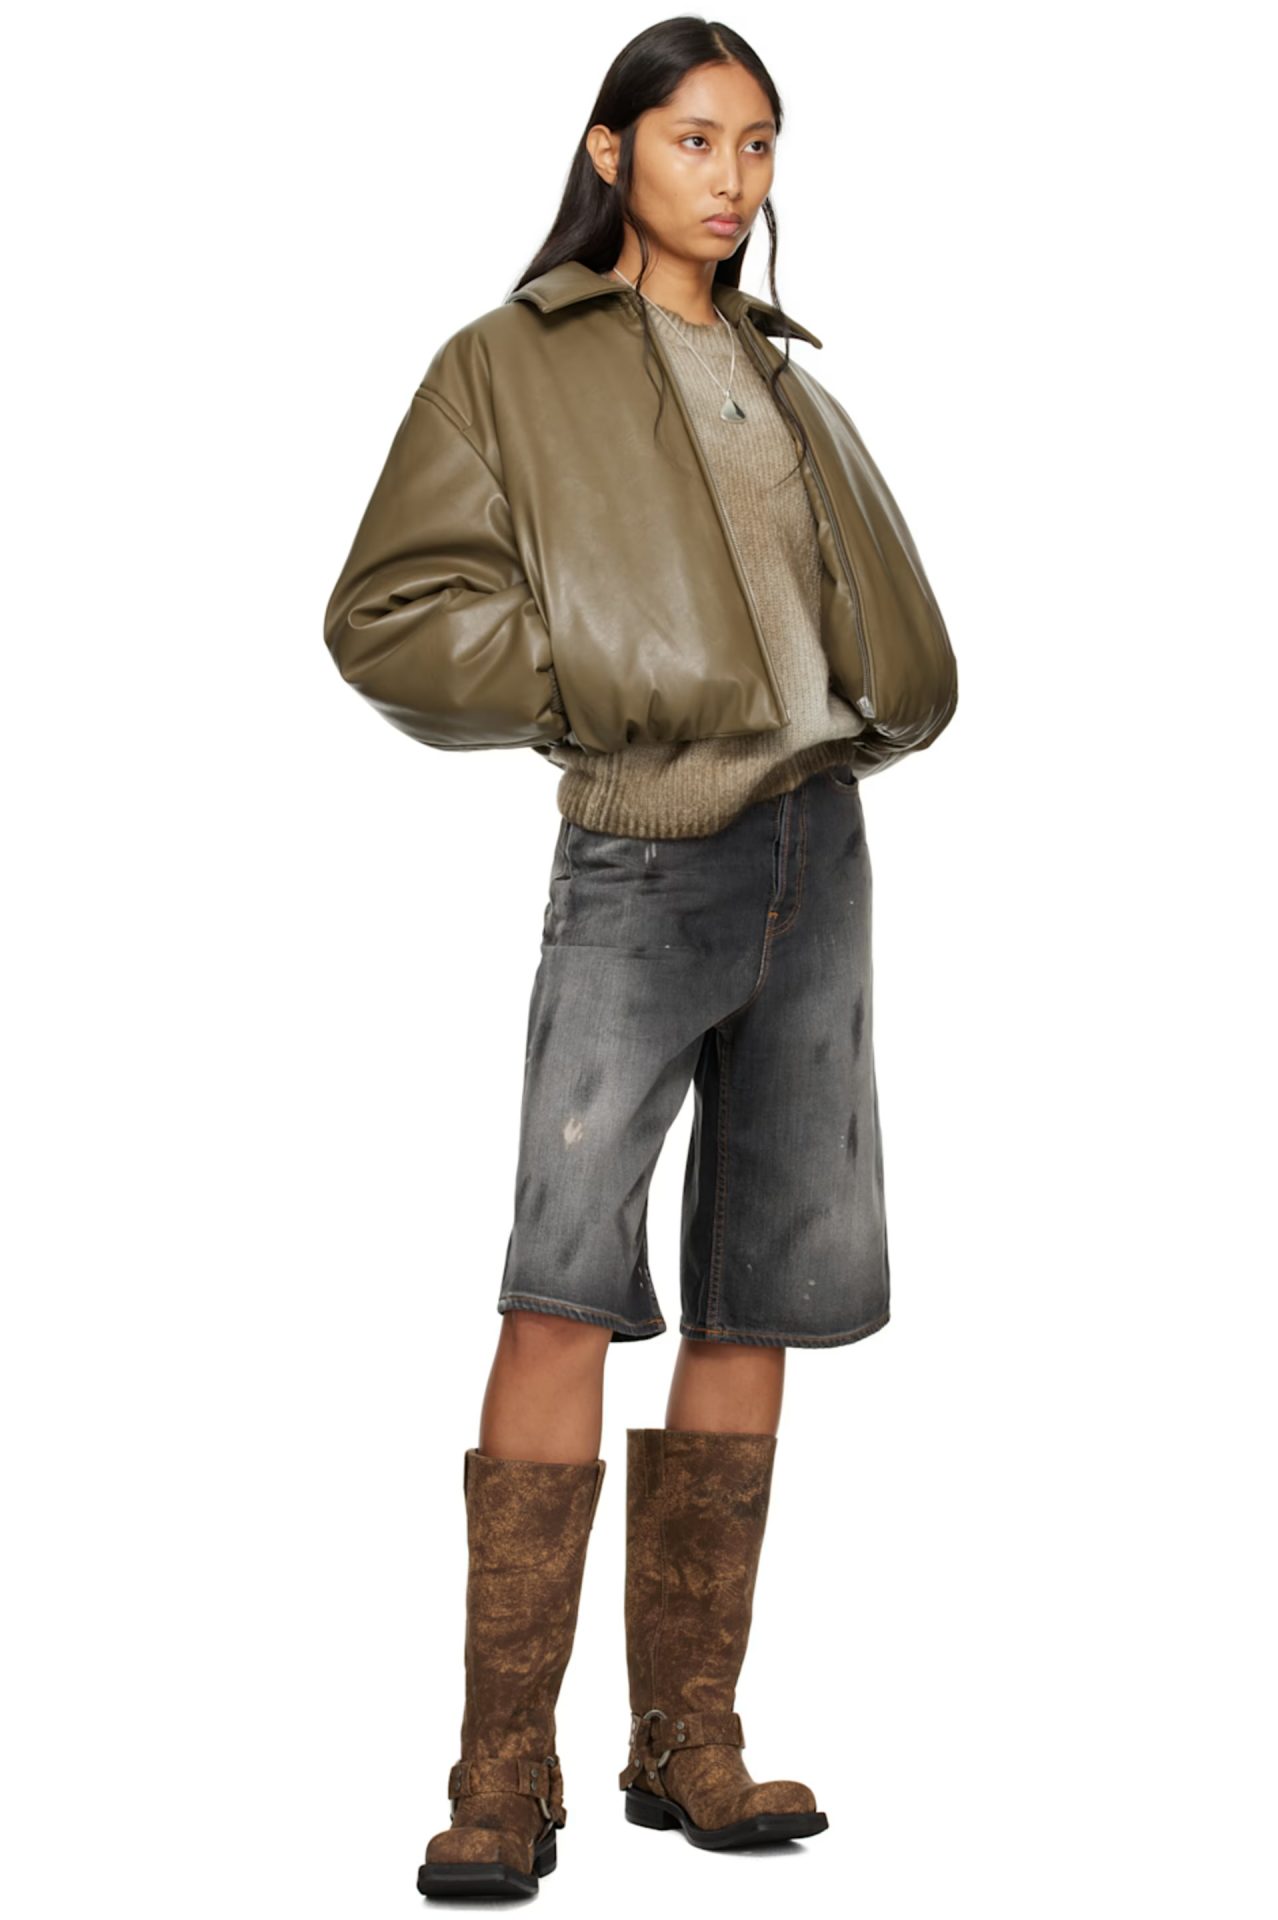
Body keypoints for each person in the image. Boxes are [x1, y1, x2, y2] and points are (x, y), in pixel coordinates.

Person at [323, 18, 957, 1901]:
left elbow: (852, 618)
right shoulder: (508, 363)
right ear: (608, 152)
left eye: (758, 144)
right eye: (693, 138)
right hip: (639, 861)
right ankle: (498, 1771)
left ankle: (692, 1739)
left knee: (759, 1298)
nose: (731, 176)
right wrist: (601, 681)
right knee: (560, 1289)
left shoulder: (781, 373)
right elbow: (387, 614)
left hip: (815, 859)